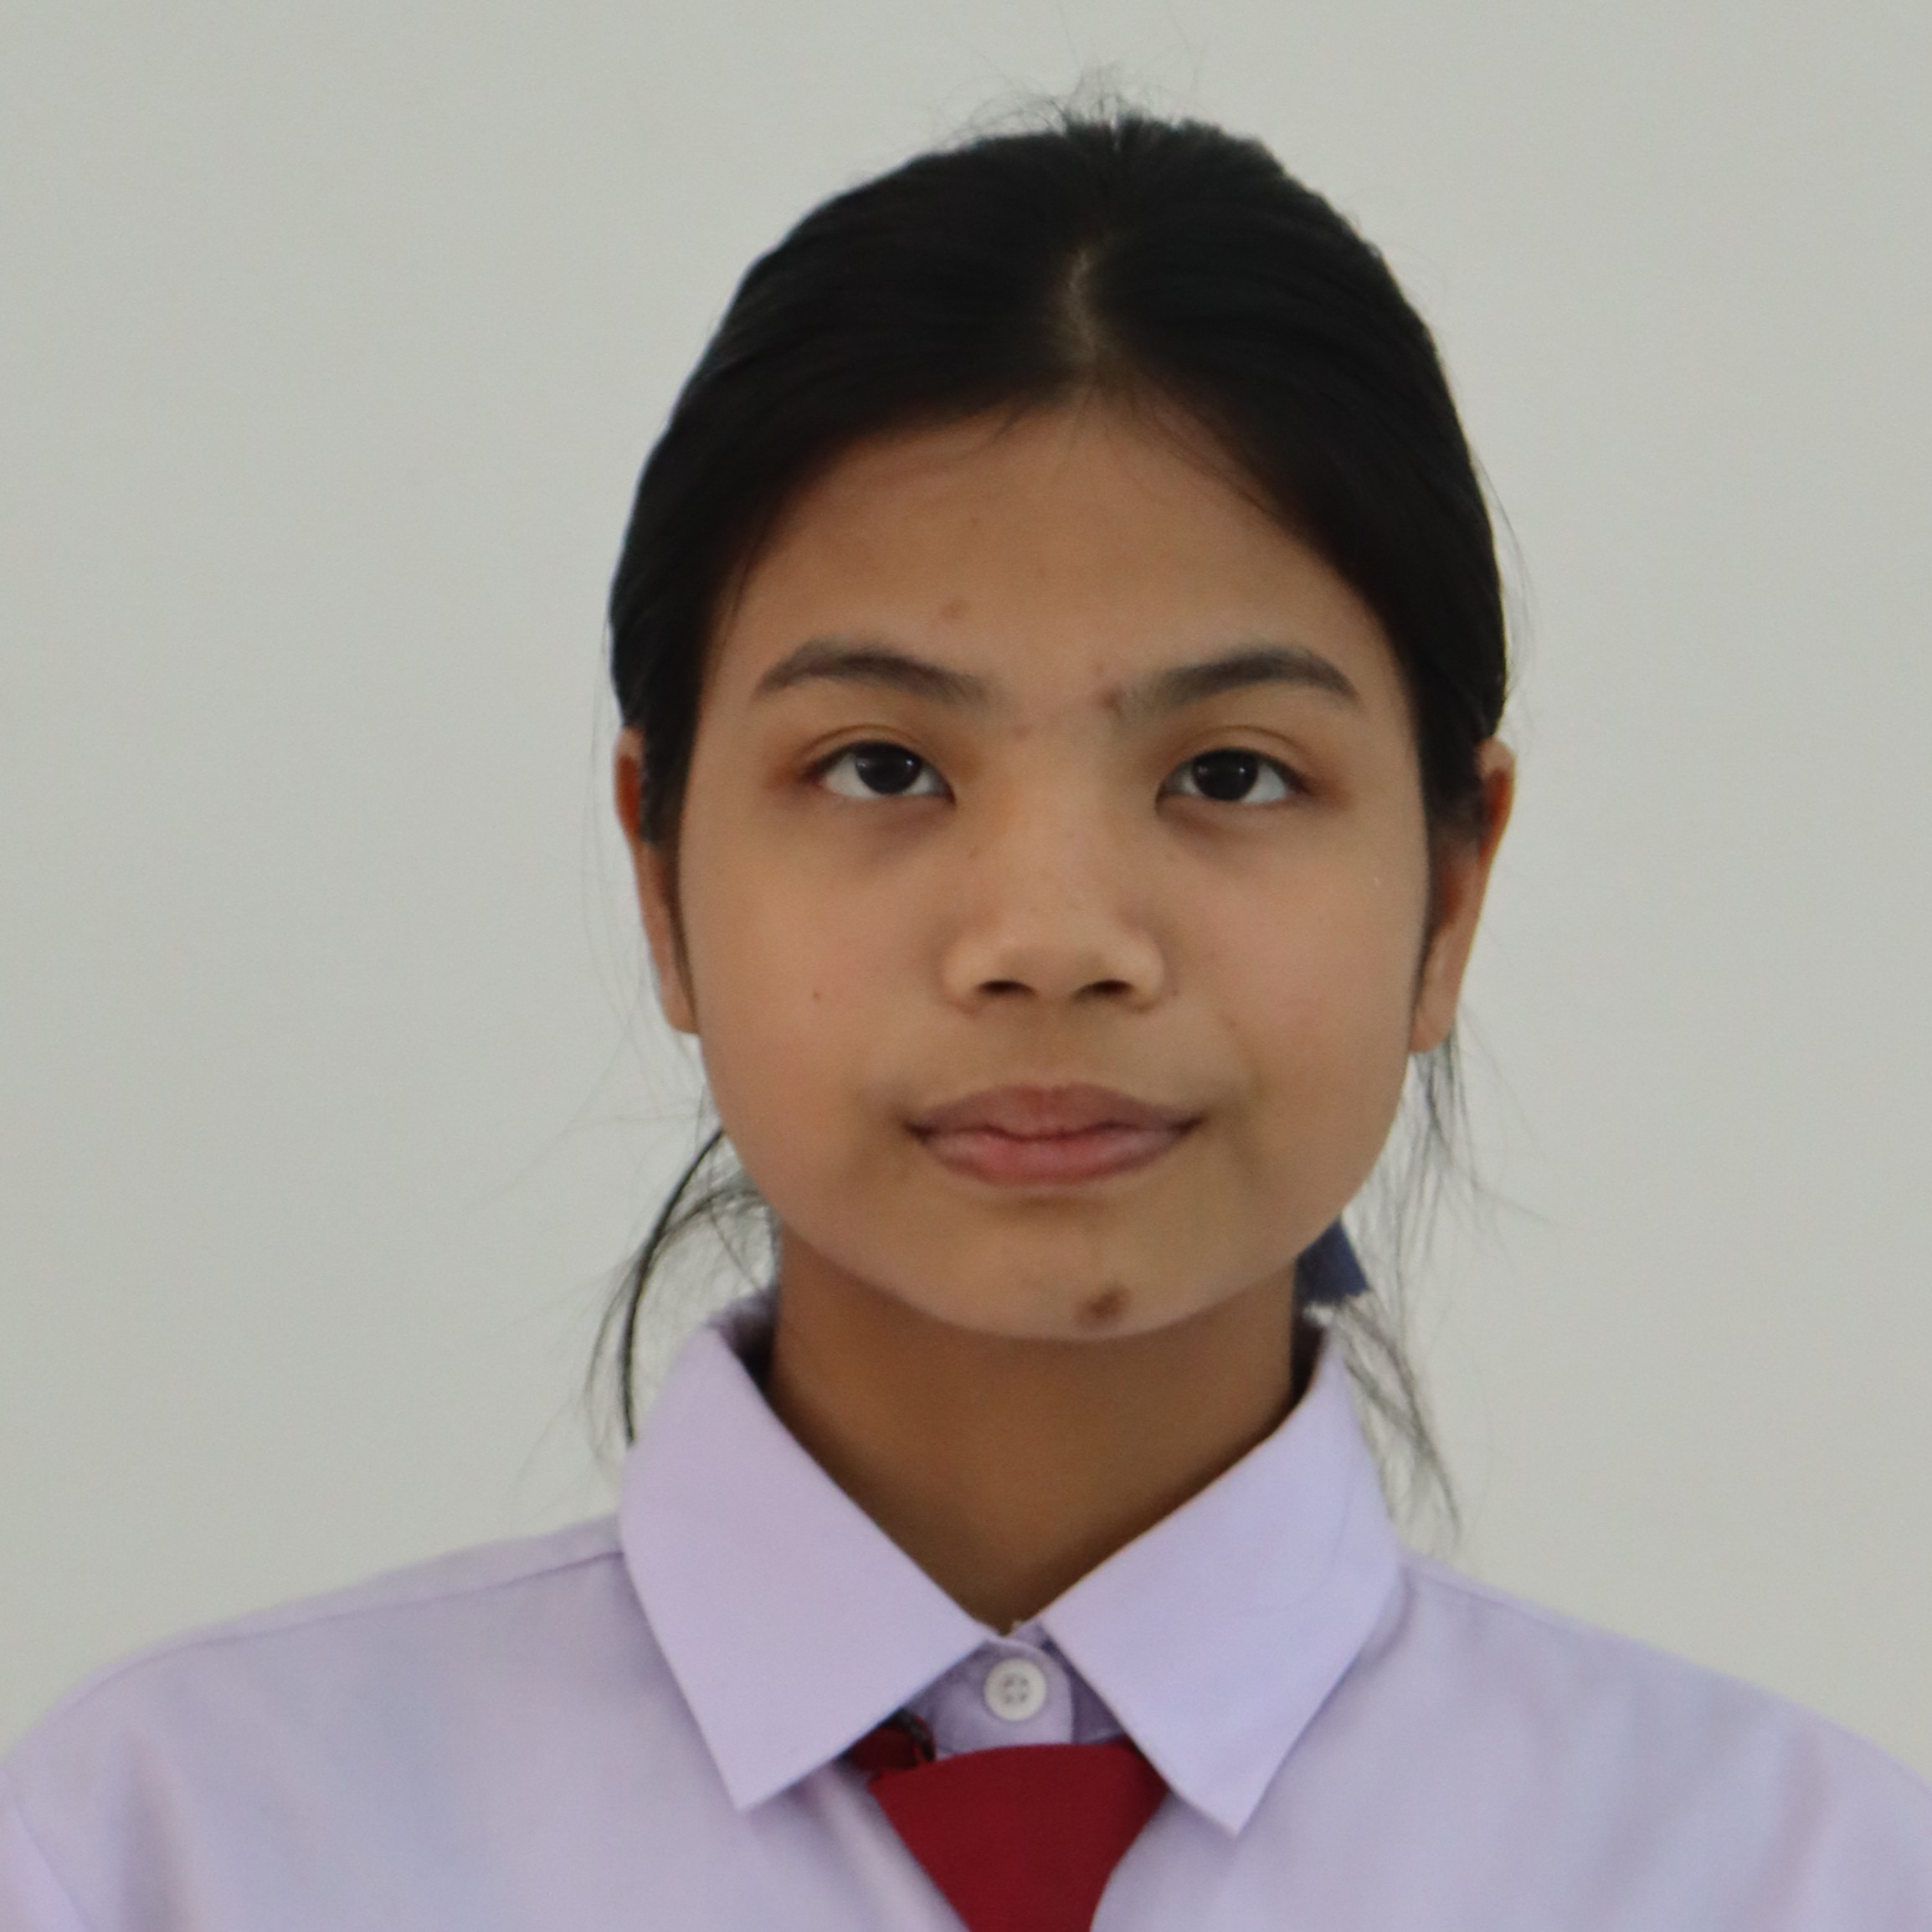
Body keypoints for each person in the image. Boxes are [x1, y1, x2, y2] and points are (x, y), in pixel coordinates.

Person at [3, 107, 1928, 1932]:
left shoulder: (1801, 1881)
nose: (1050, 940)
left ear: (1448, 887)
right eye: (878, 765)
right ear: (658, 868)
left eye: (1231, 773)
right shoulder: (166, 1850)